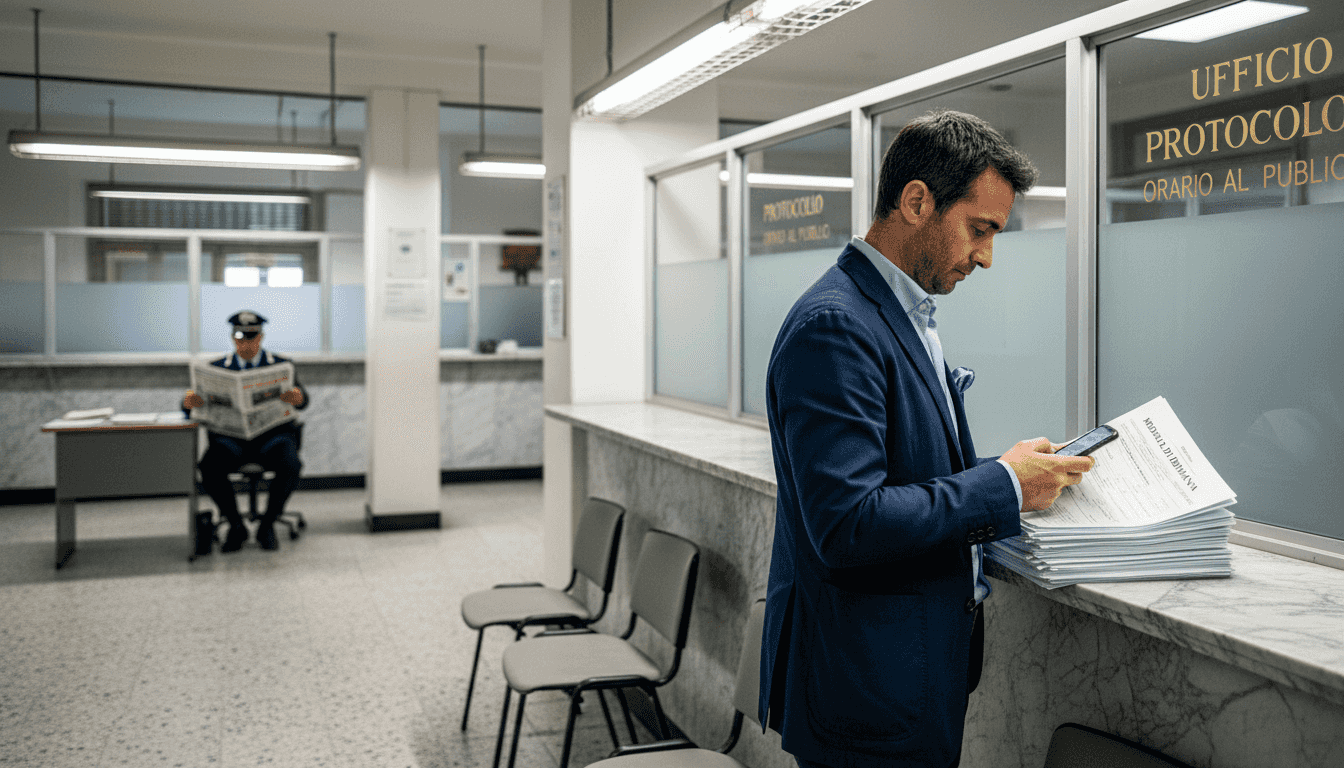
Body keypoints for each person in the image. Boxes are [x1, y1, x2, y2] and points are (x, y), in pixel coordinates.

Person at [757, 110, 1096, 768]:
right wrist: (1002, 485)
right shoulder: (836, 325)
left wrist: (1010, 471)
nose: (986, 257)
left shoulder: (901, 312)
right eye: (979, 229)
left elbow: (903, 474)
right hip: (866, 691)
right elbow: (848, 523)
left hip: (908, 676)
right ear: (917, 202)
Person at [182, 311, 308, 552]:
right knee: (209, 466)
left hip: (272, 438)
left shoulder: (281, 365)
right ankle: (235, 524)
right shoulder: (218, 368)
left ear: (261, 337)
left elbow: (303, 400)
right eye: (241, 338)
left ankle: (267, 524)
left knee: (291, 464)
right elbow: (191, 404)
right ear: (233, 338)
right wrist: (188, 403)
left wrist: (298, 397)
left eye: (252, 337)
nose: (246, 344)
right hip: (232, 441)